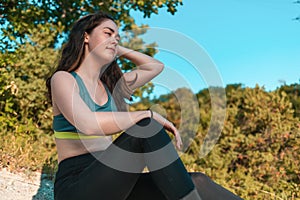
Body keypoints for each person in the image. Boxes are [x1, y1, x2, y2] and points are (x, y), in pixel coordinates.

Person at [46, 12, 242, 200]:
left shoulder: (113, 87)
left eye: (118, 37)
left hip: (115, 182)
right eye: (108, 33)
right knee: (146, 126)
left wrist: (116, 48)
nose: (115, 39)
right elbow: (87, 123)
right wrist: (146, 114)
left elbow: (155, 66)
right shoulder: (64, 79)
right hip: (77, 186)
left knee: (199, 182)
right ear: (86, 37)